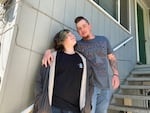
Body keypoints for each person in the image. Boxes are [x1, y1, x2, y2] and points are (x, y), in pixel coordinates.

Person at [42, 16, 120, 113]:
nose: (82, 30)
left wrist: (116, 74)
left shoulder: (103, 40)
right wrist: (48, 51)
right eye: (79, 28)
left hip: (105, 87)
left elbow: (111, 57)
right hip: (90, 88)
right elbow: (62, 47)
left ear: (89, 26)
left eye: (84, 26)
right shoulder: (77, 45)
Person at [33, 29, 93, 113]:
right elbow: (39, 81)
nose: (73, 36)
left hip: (75, 109)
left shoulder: (83, 60)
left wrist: (88, 103)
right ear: (61, 41)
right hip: (53, 107)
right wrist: (40, 101)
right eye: (68, 35)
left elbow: (90, 84)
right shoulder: (52, 57)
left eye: (72, 34)